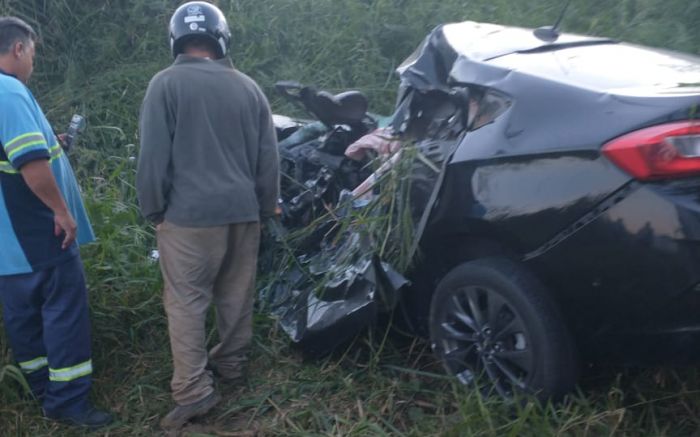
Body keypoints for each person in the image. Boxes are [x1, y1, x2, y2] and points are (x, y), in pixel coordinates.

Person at [136, 1, 279, 430]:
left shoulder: (165, 84)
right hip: (242, 212)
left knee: (186, 301)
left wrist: (153, 208)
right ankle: (232, 367)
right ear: (221, 37)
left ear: (176, 38)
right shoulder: (248, 86)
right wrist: (266, 205)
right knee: (236, 292)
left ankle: (194, 390)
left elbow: (153, 156)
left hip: (188, 217)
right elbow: (267, 157)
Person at [0, 17, 112, 429]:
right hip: (37, 234)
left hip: (8, 246)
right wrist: (62, 212)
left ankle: (41, 391)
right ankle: (68, 403)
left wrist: (55, 145)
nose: (32, 60)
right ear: (17, 49)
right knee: (63, 311)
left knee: (23, 317)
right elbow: (29, 163)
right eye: (31, 52)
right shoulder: (9, 91)